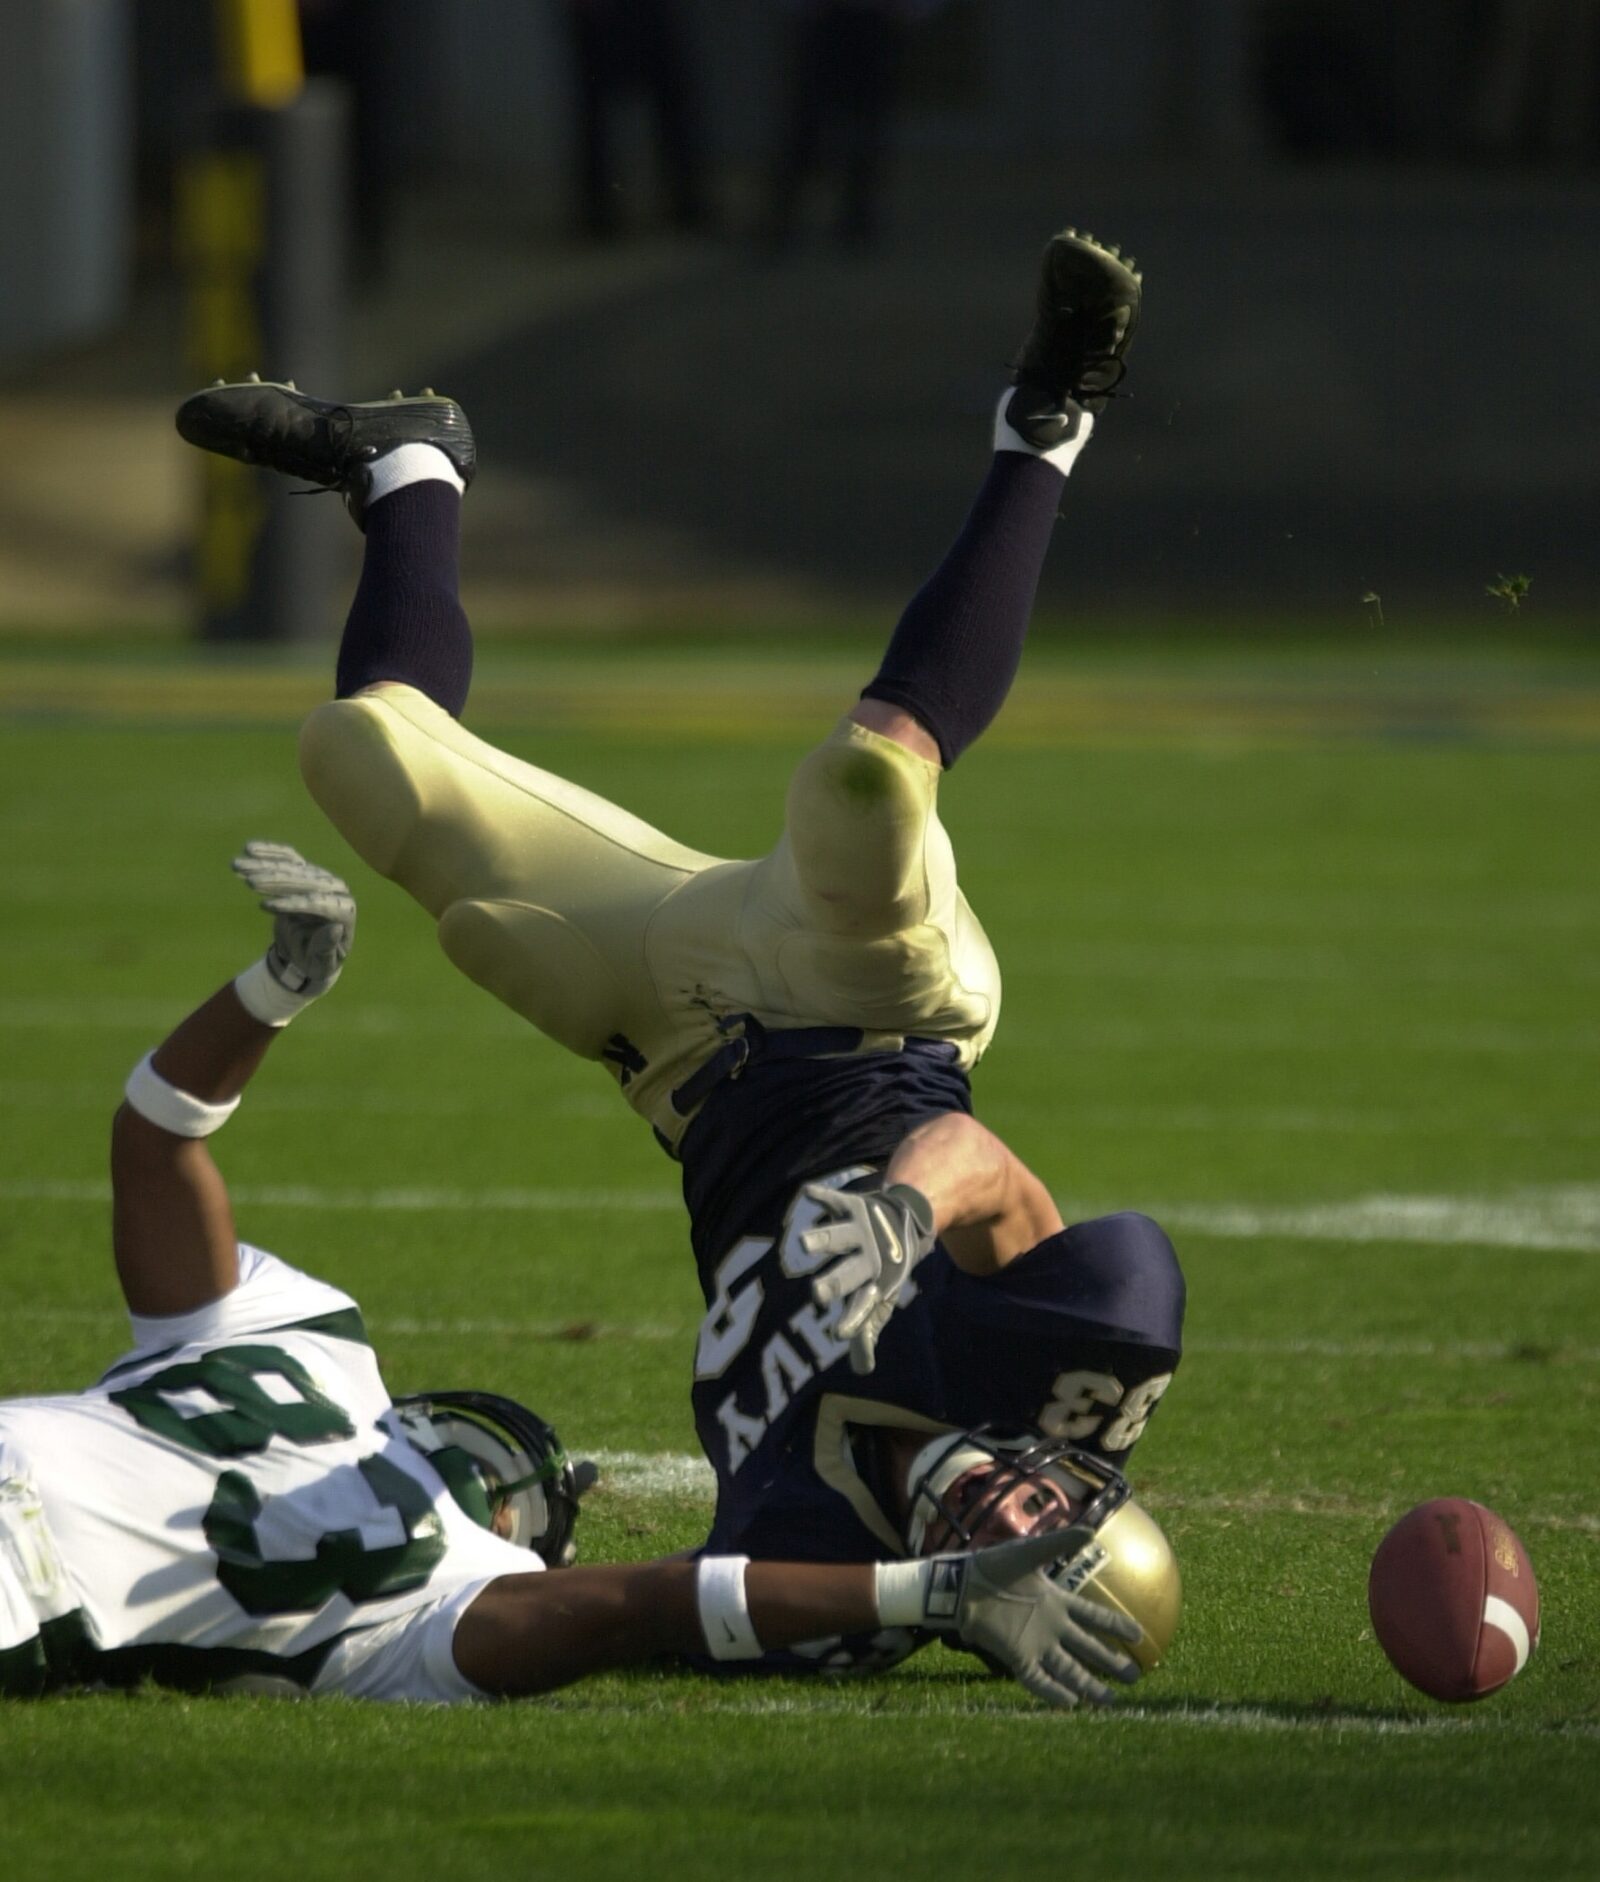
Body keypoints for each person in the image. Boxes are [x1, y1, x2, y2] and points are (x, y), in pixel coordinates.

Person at [173, 228, 1185, 1683]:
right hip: (872, 1008)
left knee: (365, 757)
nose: (1015, 1502)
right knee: (868, 788)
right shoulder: (1072, 1368)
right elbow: (990, 1170)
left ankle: (406, 474)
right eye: (1060, 1502)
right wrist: (902, 1215)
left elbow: (672, 1610)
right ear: (1089, 1474)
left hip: (679, 1038)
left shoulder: (818, 1553)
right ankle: (1049, 424)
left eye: (1029, 1537)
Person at [0, 842, 1149, 1706]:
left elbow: (155, 1135)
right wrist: (929, 1595)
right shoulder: (427, 1556)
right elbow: (659, 1601)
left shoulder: (290, 1347)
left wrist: (273, 993)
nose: (508, 1498)